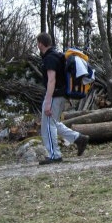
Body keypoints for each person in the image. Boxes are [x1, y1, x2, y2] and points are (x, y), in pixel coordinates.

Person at [36, 33, 89, 164]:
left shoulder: (49, 58)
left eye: (37, 43)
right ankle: (78, 138)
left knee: (48, 125)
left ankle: (54, 155)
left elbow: (51, 81)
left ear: (41, 44)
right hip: (61, 95)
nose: (37, 45)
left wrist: (47, 102)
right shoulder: (58, 56)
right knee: (53, 123)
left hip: (54, 96)